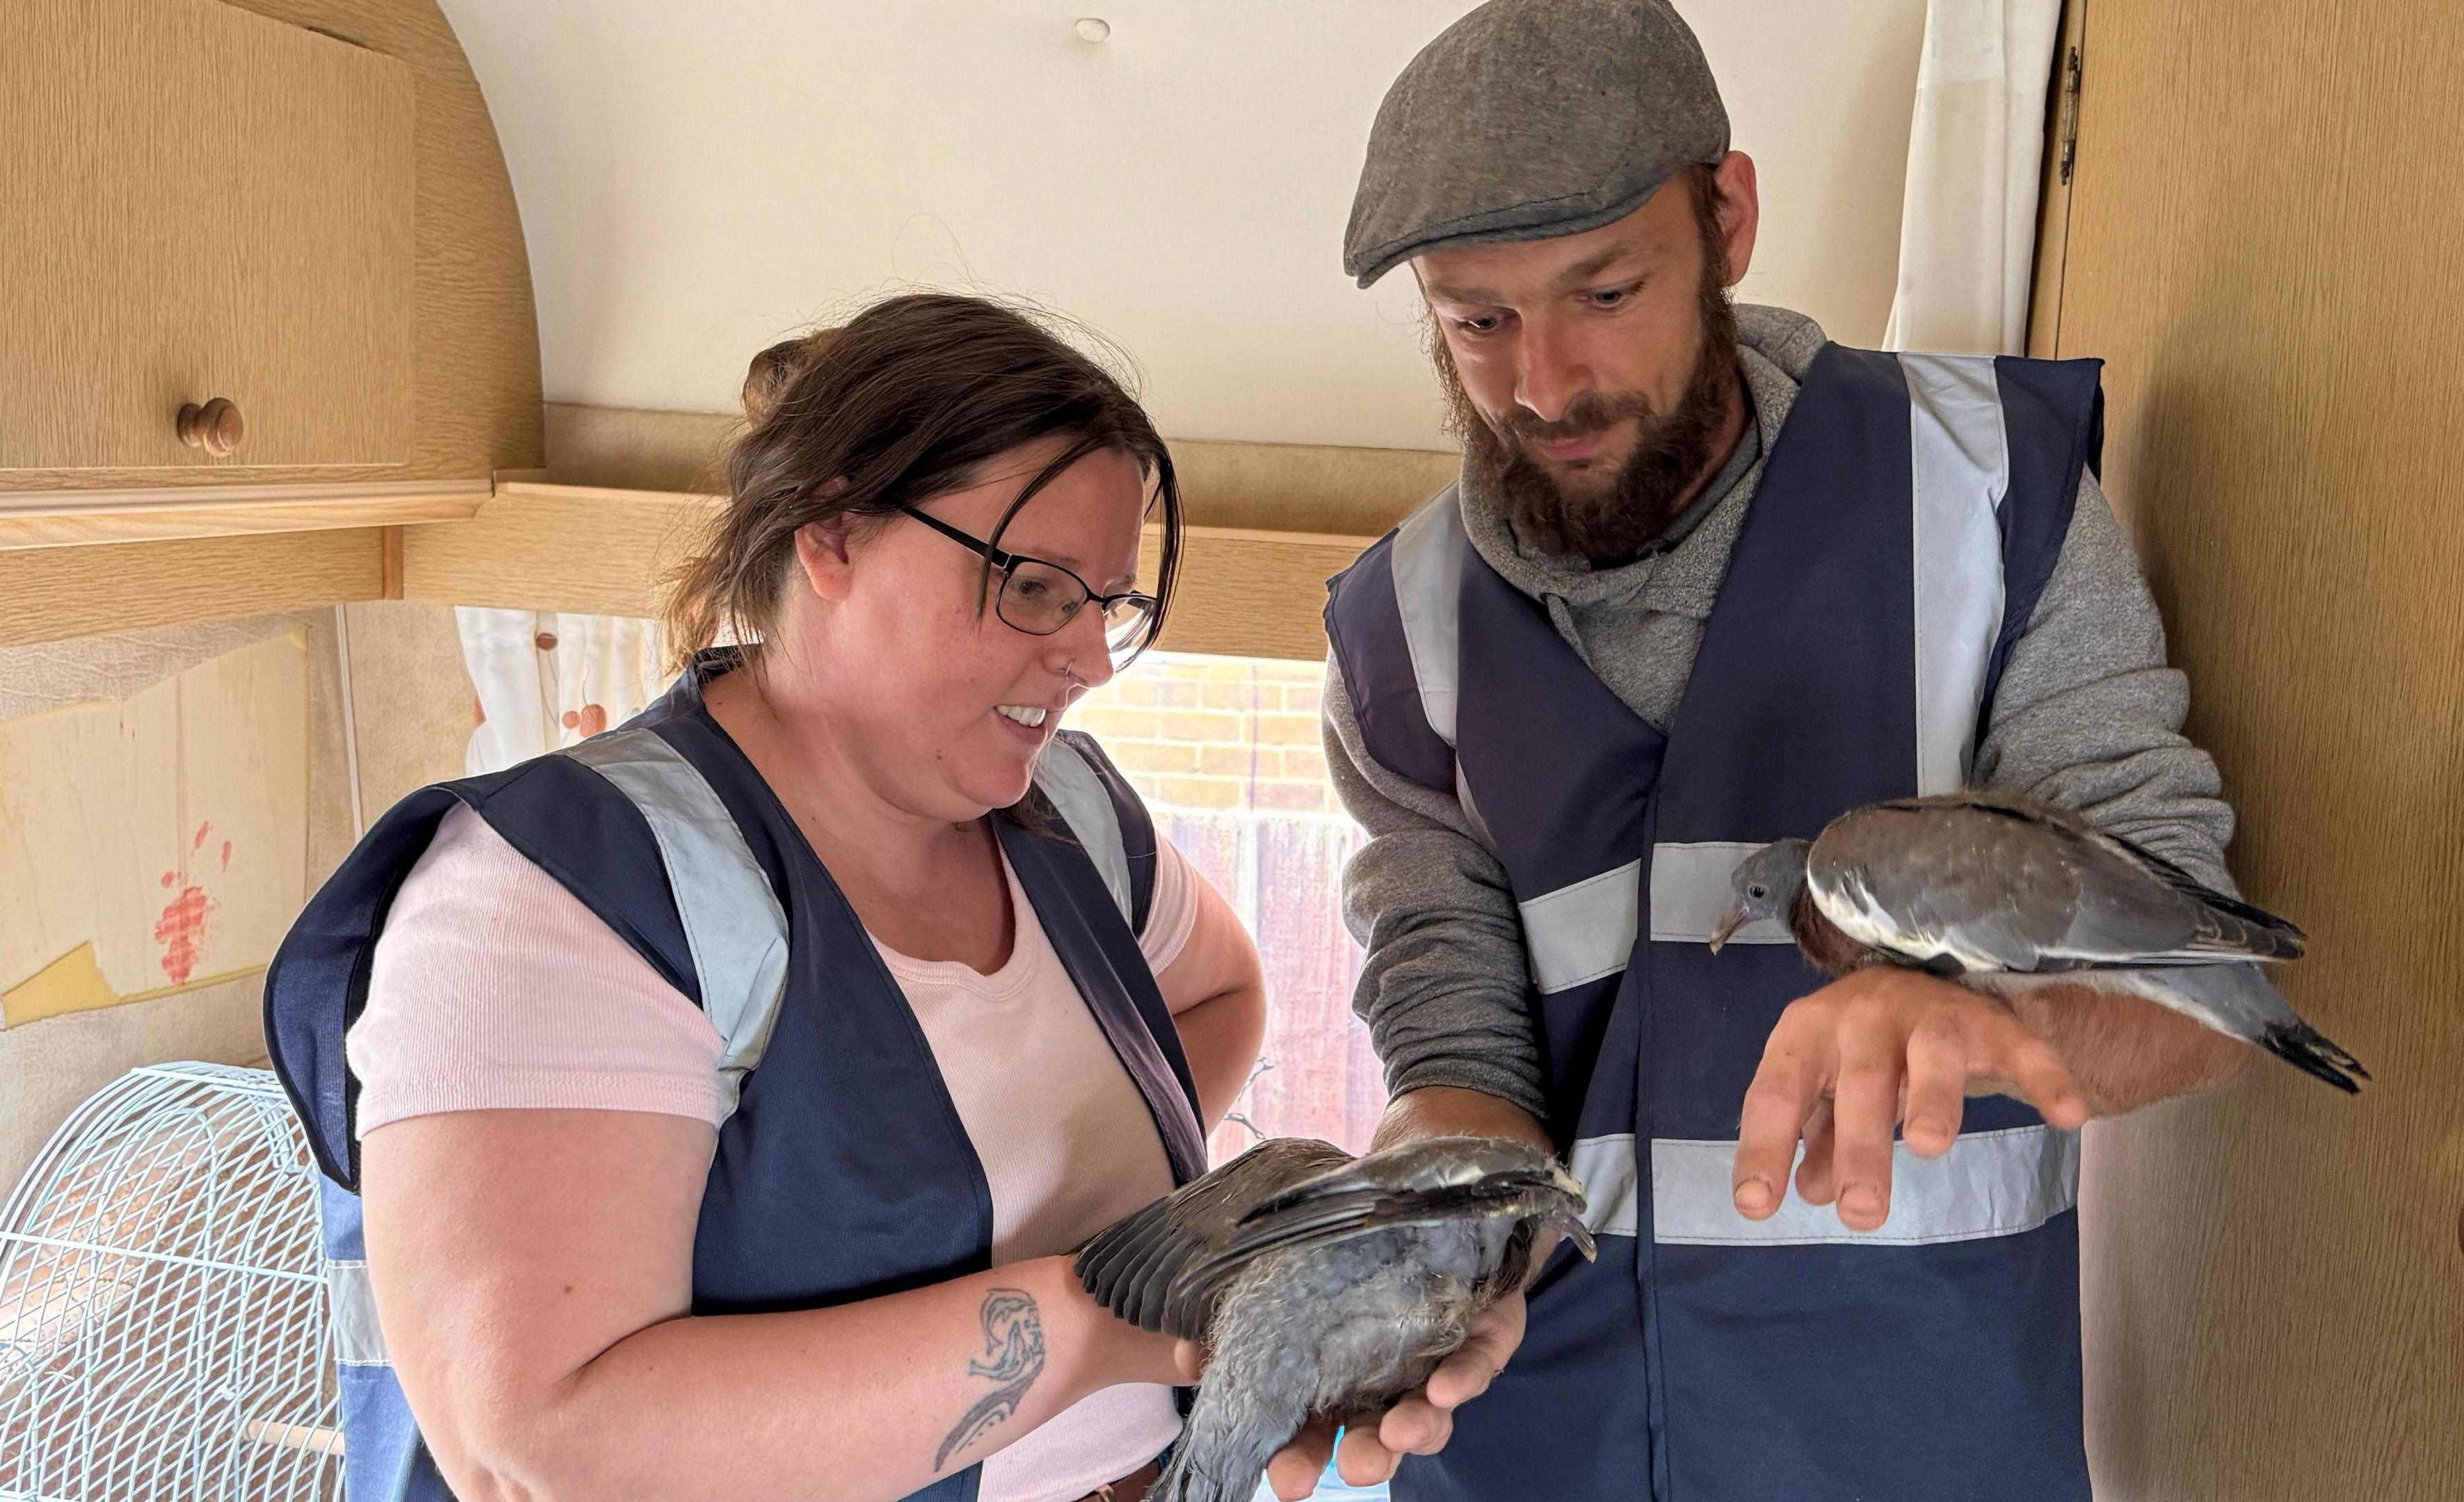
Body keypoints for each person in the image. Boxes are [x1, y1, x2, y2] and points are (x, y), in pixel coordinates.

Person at [1308, 2, 2257, 1498]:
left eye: (1604, 291)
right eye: (1474, 319)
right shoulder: (1394, 631)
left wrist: (1998, 1025)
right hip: (1516, 1438)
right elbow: (1459, 1048)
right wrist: (1415, 1218)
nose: (1542, 384)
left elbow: (2209, 993)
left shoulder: (1987, 498)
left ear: (1728, 219)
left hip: (1915, 1441)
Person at [266, 293, 1273, 1502]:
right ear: (833, 534)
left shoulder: (1070, 818)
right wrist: (1102, 1313)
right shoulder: (555, 894)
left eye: (1108, 601)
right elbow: (538, 1450)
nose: (1090, 655)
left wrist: (1145, 1246)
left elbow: (1220, 990)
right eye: (1036, 586)